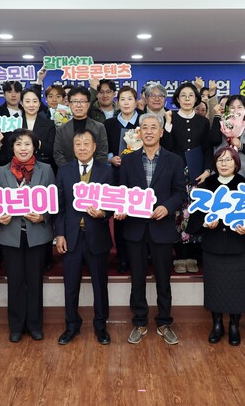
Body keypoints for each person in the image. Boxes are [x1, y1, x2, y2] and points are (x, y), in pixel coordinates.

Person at [115, 114, 186, 345]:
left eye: (153, 127)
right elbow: (122, 192)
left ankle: (164, 322)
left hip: (161, 228)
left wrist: (167, 207)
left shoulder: (174, 160)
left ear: (161, 132)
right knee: (137, 278)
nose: (148, 131)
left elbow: (180, 193)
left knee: (163, 279)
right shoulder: (128, 160)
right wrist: (122, 208)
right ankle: (139, 322)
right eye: (144, 127)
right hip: (135, 228)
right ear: (139, 132)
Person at [188, 147, 245, 346]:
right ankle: (216, 324)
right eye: (220, 160)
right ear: (215, 164)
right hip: (213, 246)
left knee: (237, 289)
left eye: (228, 160)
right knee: (215, 288)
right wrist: (206, 223)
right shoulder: (207, 185)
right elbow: (195, 219)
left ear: (236, 163)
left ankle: (234, 325)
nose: (224, 164)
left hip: (238, 247)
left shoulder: (244, 186)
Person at [0, 130, 55, 342]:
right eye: (18, 144)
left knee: (35, 281)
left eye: (27, 144)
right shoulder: (2, 171)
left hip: (37, 234)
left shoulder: (46, 170)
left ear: (34, 147)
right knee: (15, 282)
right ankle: (16, 326)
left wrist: (43, 216)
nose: (23, 148)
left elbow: (54, 200)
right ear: (12, 147)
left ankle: (35, 325)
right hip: (10, 234)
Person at [55, 129, 113, 345]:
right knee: (70, 285)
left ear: (94, 147)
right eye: (78, 144)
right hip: (72, 238)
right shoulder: (64, 171)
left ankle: (101, 326)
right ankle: (71, 325)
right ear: (73, 148)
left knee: (100, 285)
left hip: (97, 236)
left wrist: (103, 213)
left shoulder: (106, 172)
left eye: (86, 143)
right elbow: (60, 206)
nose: (82, 148)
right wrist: (60, 234)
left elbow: (112, 203)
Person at [162, 82, 213, 274]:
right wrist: (167, 124)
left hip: (197, 174)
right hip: (175, 173)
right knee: (177, 214)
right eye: (183, 95)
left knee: (193, 212)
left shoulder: (203, 121)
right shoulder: (171, 117)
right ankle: (179, 255)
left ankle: (191, 255)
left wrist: (207, 170)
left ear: (196, 99)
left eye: (191, 95)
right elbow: (166, 146)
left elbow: (207, 148)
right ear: (177, 98)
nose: (187, 99)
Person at [103, 86, 141, 273]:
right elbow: (104, 148)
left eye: (130, 99)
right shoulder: (109, 123)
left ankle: (140, 256)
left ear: (136, 101)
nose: (126, 103)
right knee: (119, 216)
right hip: (117, 175)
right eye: (123, 99)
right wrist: (111, 158)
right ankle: (123, 257)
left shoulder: (143, 121)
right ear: (118, 102)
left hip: (141, 175)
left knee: (138, 214)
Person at [210, 95, 245, 185]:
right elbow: (214, 141)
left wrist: (241, 146)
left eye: (239, 107)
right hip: (220, 178)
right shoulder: (220, 126)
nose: (235, 110)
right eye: (232, 107)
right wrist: (217, 117)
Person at [53, 86, 109, 167]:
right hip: (68, 172)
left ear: (88, 104)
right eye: (75, 101)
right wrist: (69, 171)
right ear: (69, 104)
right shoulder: (61, 130)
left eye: (82, 101)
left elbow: (103, 154)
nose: (78, 105)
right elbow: (58, 154)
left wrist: (90, 171)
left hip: (95, 173)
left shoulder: (99, 127)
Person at [20, 88, 57, 171]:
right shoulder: (14, 122)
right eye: (27, 101)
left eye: (35, 101)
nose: (31, 105)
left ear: (39, 103)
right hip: (18, 167)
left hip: (41, 168)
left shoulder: (49, 124)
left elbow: (52, 150)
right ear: (22, 103)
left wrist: (38, 143)